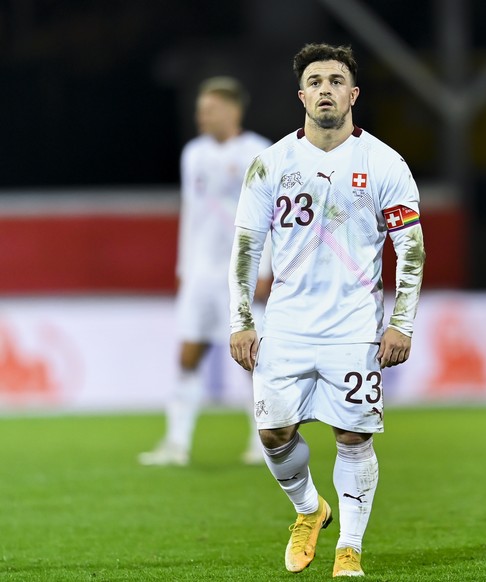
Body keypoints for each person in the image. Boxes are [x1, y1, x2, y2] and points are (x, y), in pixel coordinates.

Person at [228, 43, 425, 577]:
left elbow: (411, 248)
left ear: (353, 93)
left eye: (336, 81)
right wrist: (243, 320)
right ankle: (310, 510)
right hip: (287, 326)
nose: (325, 90)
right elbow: (246, 249)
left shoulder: (385, 163)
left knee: (353, 437)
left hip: (355, 327)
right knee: (273, 433)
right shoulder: (270, 163)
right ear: (301, 95)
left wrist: (401, 322)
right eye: (315, 81)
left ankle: (350, 549)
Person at [139, 76, 273, 467]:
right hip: (200, 273)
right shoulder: (193, 154)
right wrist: (183, 266)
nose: (201, 117)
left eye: (209, 110)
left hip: (243, 272)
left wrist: (265, 268)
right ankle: (176, 444)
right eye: (200, 111)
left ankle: (263, 442)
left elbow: (270, 217)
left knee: (254, 359)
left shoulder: (259, 152)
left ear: (233, 110)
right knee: (188, 354)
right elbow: (191, 214)